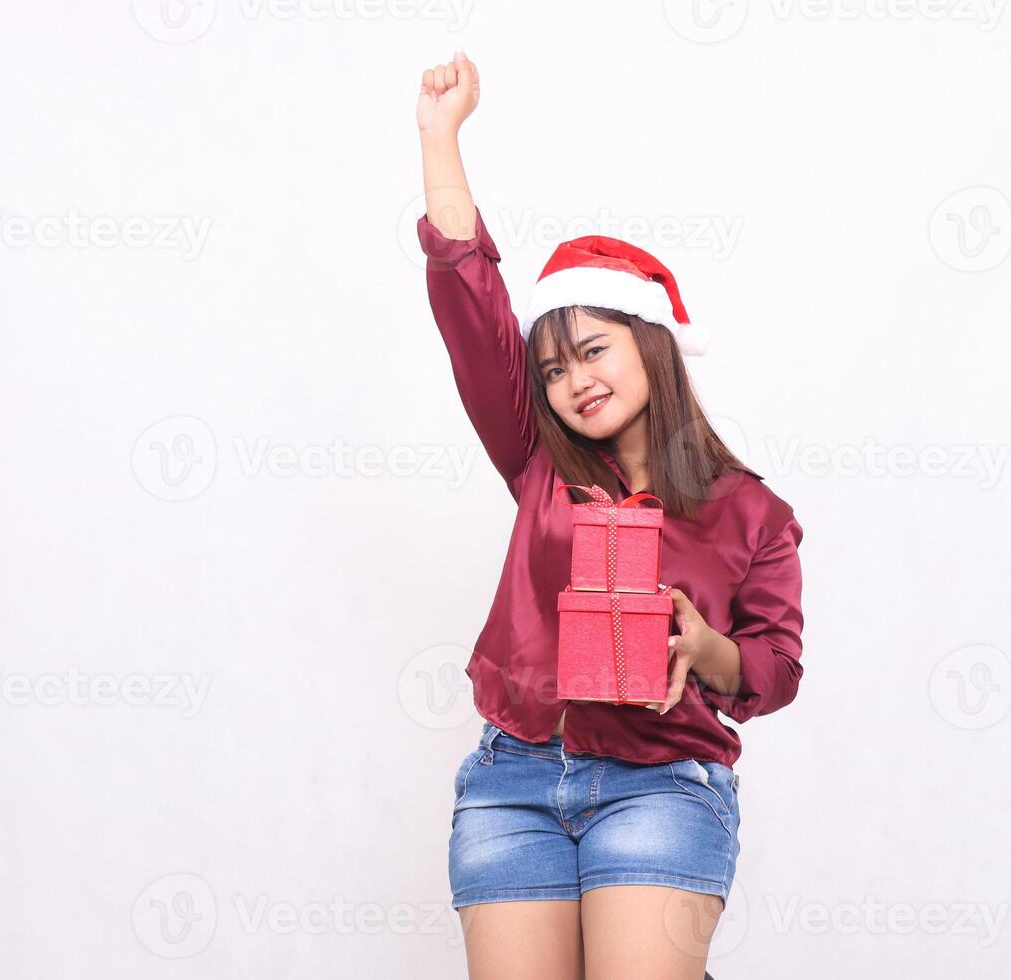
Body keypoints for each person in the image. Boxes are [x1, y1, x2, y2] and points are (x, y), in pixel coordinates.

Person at [416, 50, 806, 980]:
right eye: (552, 369)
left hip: (663, 784)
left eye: (592, 351)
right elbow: (472, 313)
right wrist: (440, 138)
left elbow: (775, 666)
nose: (573, 382)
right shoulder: (538, 460)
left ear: (652, 346)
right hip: (514, 781)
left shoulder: (752, 512)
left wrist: (704, 647)